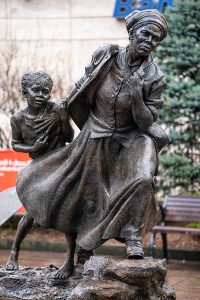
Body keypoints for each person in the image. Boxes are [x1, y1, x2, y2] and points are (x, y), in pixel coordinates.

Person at [15, 9, 168, 279]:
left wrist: (135, 96)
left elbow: (147, 122)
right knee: (86, 195)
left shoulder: (155, 78)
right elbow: (86, 84)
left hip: (132, 137)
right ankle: (84, 251)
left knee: (143, 178)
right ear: (132, 33)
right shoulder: (106, 54)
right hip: (94, 134)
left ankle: (133, 234)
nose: (149, 41)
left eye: (156, 39)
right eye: (145, 34)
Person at [6, 71, 74, 272]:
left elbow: (69, 137)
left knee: (69, 210)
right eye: (35, 90)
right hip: (38, 168)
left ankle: (70, 260)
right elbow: (16, 143)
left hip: (61, 163)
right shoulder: (17, 118)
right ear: (24, 92)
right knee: (31, 213)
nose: (41, 95)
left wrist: (64, 119)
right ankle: (14, 251)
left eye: (46, 92)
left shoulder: (56, 111)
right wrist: (32, 149)